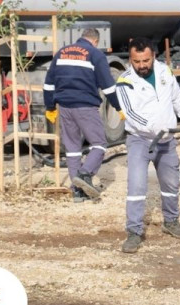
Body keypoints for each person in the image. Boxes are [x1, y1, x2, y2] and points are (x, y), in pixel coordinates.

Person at [116, 37, 180, 254]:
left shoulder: (164, 72)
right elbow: (129, 114)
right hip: (140, 140)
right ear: (130, 60)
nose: (142, 66)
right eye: (136, 61)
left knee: (171, 184)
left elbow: (177, 97)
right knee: (136, 185)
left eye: (145, 60)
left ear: (153, 55)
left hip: (166, 140)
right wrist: (153, 126)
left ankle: (171, 222)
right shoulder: (124, 82)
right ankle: (134, 232)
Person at [43, 28, 121, 203]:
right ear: (95, 41)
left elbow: (48, 84)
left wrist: (50, 107)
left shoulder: (61, 53)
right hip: (85, 106)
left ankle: (77, 193)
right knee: (100, 144)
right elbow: (108, 87)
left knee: (72, 148)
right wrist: (118, 107)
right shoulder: (95, 54)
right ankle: (84, 174)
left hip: (64, 107)